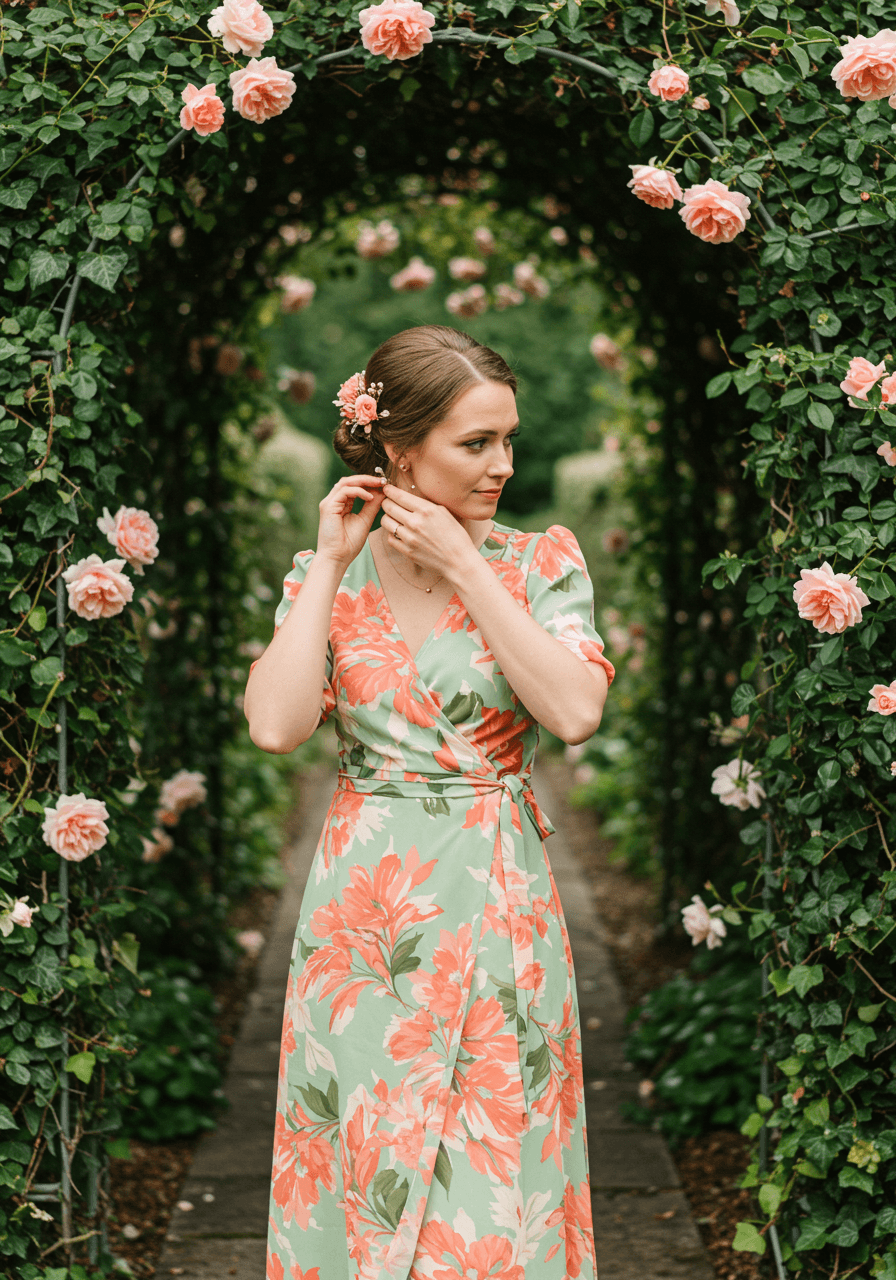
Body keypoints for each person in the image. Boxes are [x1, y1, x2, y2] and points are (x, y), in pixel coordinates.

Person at [244, 324, 614, 1280]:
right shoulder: (328, 575)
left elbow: (574, 709)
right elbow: (278, 727)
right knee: (361, 1159)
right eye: (476, 443)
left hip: (499, 899)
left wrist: (464, 568)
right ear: (398, 447)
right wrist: (328, 560)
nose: (503, 464)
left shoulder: (542, 563)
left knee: (492, 1172)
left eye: (509, 440)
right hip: (364, 920)